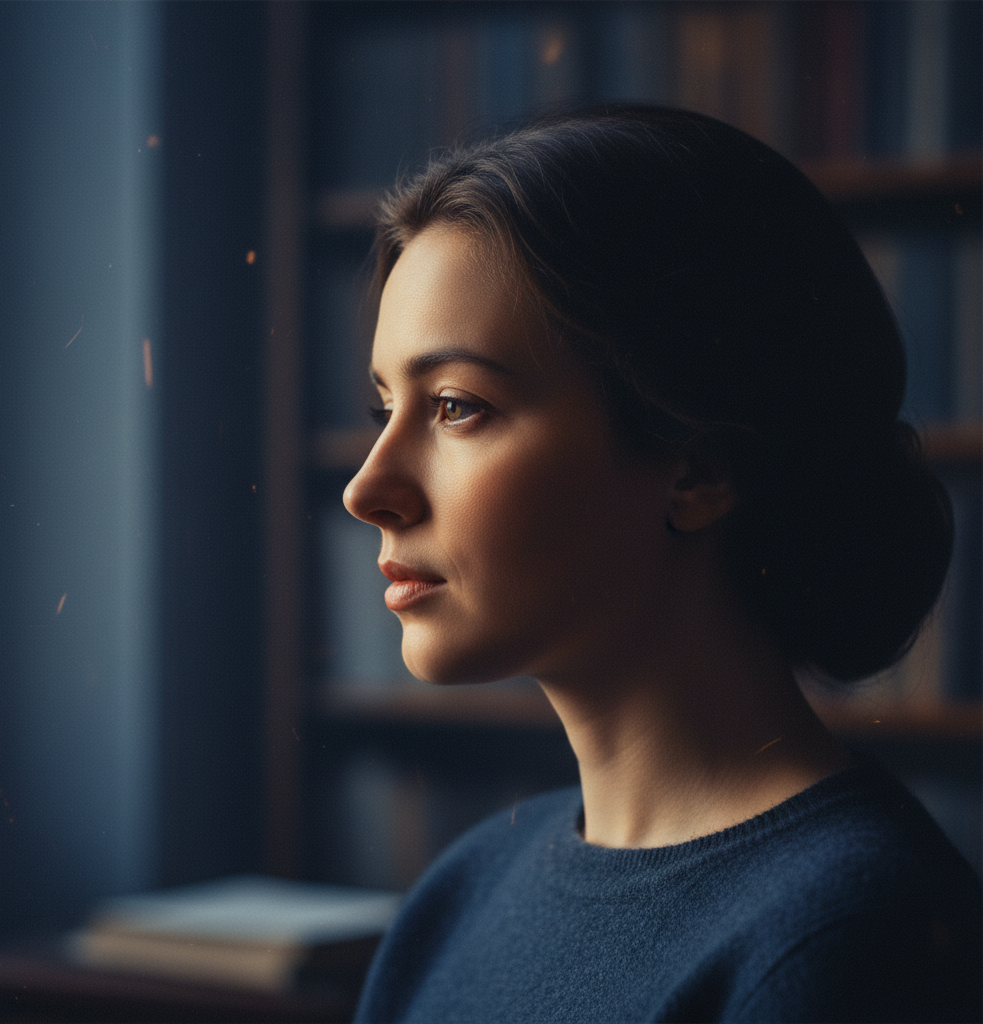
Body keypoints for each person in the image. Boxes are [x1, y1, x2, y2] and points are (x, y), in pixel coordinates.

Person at [342, 106, 981, 1023]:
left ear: (698, 467)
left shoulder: (847, 940)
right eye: (382, 409)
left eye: (455, 407)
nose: (369, 489)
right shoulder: (460, 897)